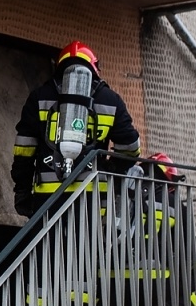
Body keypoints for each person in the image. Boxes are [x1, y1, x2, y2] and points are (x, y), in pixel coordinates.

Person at [11, 41, 141, 218]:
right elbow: (131, 148)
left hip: (48, 199)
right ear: (94, 67)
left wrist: (22, 190)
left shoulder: (39, 97)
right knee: (88, 246)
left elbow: (24, 151)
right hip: (92, 198)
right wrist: (110, 167)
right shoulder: (111, 100)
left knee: (49, 246)